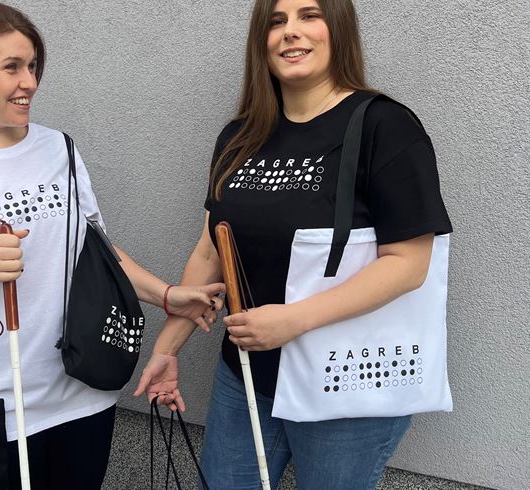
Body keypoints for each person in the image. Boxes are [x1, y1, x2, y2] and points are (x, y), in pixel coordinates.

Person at [0, 1, 224, 488]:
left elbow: (95, 252)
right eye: (12, 67)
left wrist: (166, 295)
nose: (30, 82)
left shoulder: (58, 149)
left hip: (84, 393)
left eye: (33, 65)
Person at [134, 0, 453, 488]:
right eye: (276, 21)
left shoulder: (384, 127)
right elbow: (211, 250)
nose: (290, 31)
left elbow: (408, 263)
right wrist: (168, 346)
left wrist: (292, 320)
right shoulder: (240, 136)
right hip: (248, 374)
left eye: (309, 16)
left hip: (345, 382)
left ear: (338, 28)